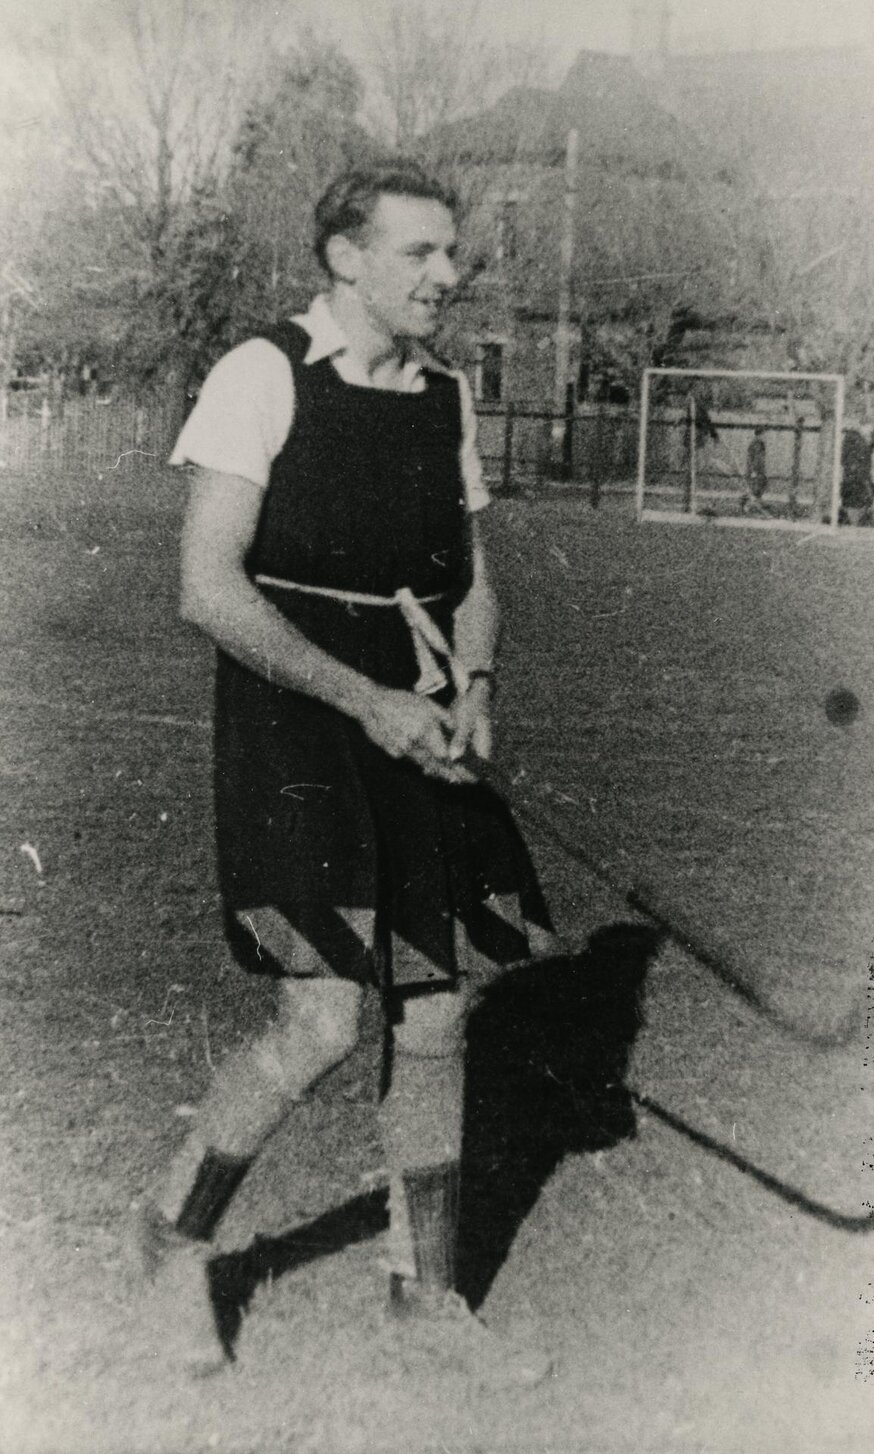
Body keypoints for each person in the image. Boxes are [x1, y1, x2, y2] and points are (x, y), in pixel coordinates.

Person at [138, 160, 558, 1388]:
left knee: (436, 1009)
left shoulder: (444, 395)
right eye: (421, 253)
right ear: (344, 257)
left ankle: (422, 1294)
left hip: (420, 716)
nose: (448, 274)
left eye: (451, 253)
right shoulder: (264, 374)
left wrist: (469, 689)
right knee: (320, 1020)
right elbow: (206, 586)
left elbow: (470, 576)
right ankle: (174, 1240)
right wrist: (363, 698)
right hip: (298, 714)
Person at [741, 426, 768, 515]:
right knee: (754, 488)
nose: (765, 436)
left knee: (760, 486)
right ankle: (746, 506)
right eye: (763, 434)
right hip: (755, 470)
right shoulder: (755, 444)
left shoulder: (760, 444)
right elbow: (752, 458)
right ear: (760, 434)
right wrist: (753, 471)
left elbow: (761, 458)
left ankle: (759, 503)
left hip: (760, 470)